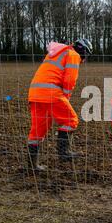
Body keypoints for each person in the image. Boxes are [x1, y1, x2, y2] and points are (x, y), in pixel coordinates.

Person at [27, 38, 93, 171]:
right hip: (51, 92)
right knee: (71, 120)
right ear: (83, 51)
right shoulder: (73, 55)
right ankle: (64, 153)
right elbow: (69, 80)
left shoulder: (56, 52)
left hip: (34, 93)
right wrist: (66, 97)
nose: (85, 60)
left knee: (37, 131)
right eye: (86, 55)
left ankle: (32, 165)